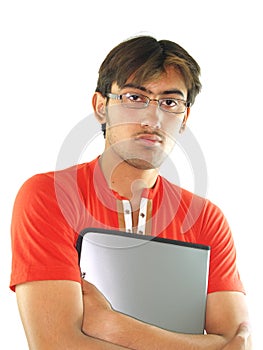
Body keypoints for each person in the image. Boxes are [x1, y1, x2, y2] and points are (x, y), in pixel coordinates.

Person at [10, 35, 252, 349]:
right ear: (100, 107)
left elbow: (238, 343)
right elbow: (57, 344)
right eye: (134, 98)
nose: (152, 119)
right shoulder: (49, 196)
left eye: (169, 102)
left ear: (184, 118)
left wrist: (112, 325)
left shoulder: (206, 219)